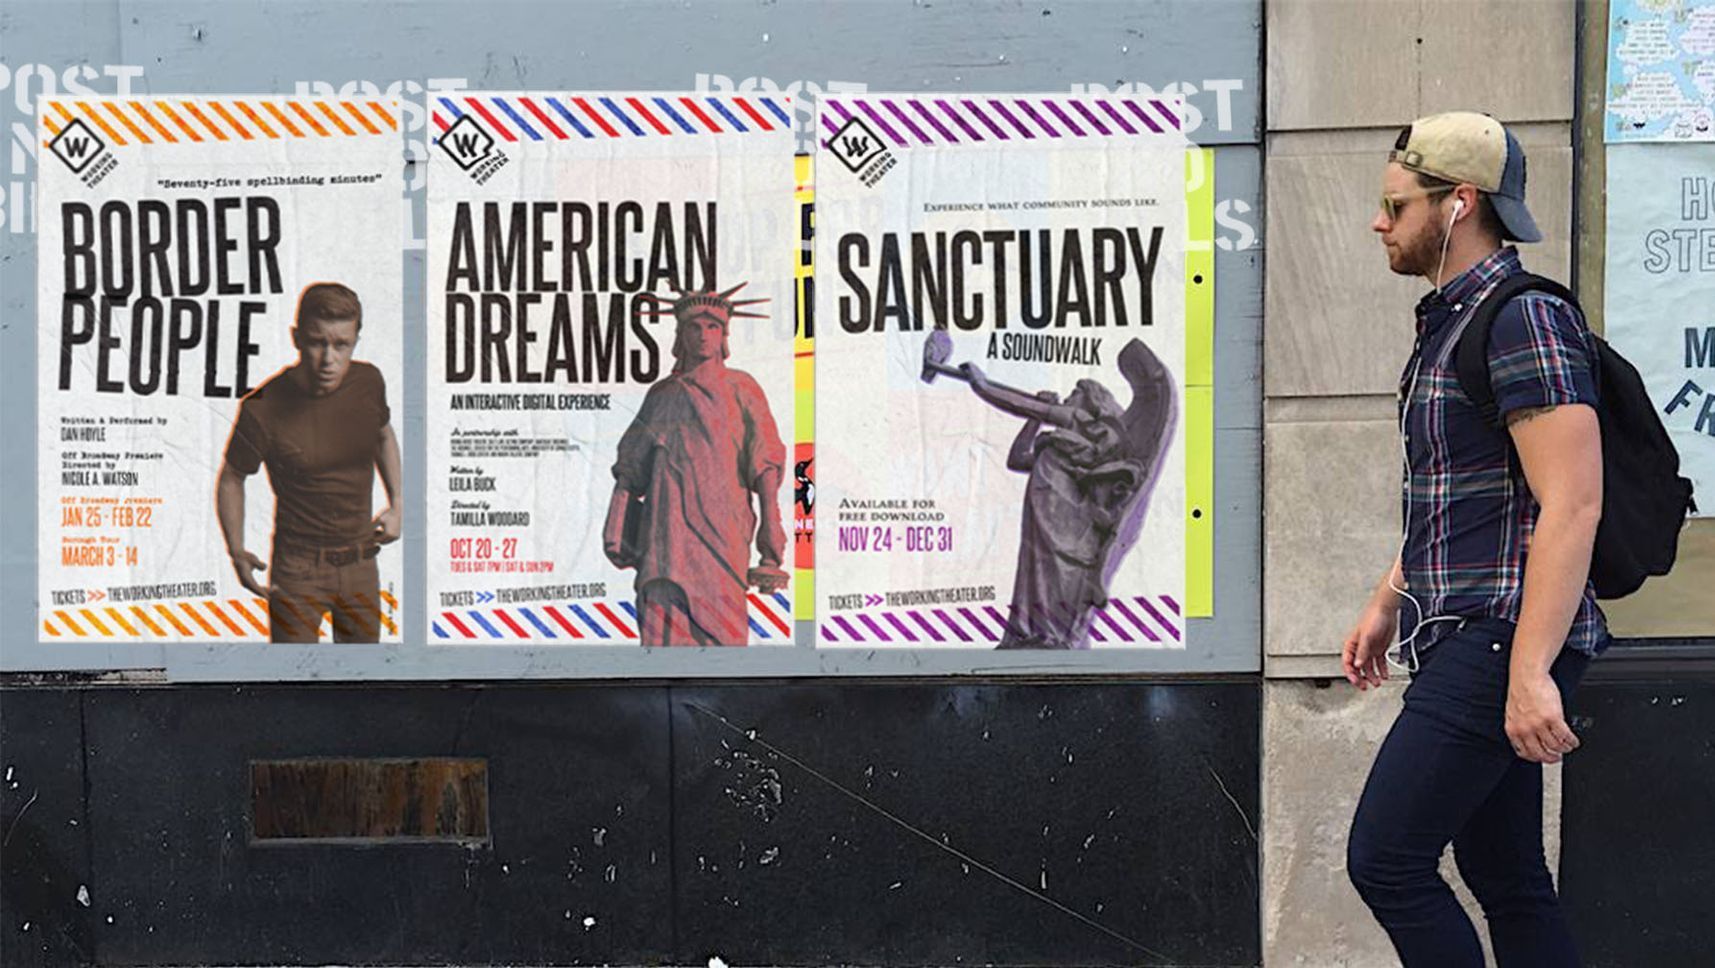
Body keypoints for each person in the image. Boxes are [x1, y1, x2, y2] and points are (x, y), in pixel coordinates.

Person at [1342, 113, 1607, 967]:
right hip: (1464, 624)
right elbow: (1456, 492)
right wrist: (1389, 597)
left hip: (1500, 633)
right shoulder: (1449, 321)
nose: (1378, 223)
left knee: (1385, 859)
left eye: (1394, 204)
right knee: (1505, 873)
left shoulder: (1520, 319)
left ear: (1459, 204)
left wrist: (1529, 670)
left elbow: (1571, 504)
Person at [958, 336, 1175, 650]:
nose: (1066, 399)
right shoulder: (1062, 441)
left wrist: (981, 385)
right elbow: (1017, 458)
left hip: (1067, 523)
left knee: (1058, 580)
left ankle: (1050, 636)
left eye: (1074, 393)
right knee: (1035, 580)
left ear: (1090, 401)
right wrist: (1035, 420)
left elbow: (1021, 404)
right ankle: (1030, 634)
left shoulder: (1086, 424)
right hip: (1042, 521)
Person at [217, 283, 402, 643]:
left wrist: (398, 504)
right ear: (296, 337)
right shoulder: (261, 407)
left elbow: (383, 434)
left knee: (363, 685)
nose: (329, 359)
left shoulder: (369, 382)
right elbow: (231, 478)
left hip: (361, 564)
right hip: (297, 569)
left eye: (341, 345)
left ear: (356, 340)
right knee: (293, 685)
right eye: (317, 342)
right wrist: (236, 550)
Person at [604, 285, 787, 646]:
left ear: (724, 336)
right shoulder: (662, 394)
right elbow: (631, 467)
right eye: (694, 328)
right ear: (681, 335)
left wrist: (772, 521)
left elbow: (764, 460)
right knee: (663, 633)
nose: (703, 336)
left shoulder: (742, 387)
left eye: (712, 327)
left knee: (724, 631)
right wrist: (616, 524)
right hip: (665, 536)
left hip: (723, 529)